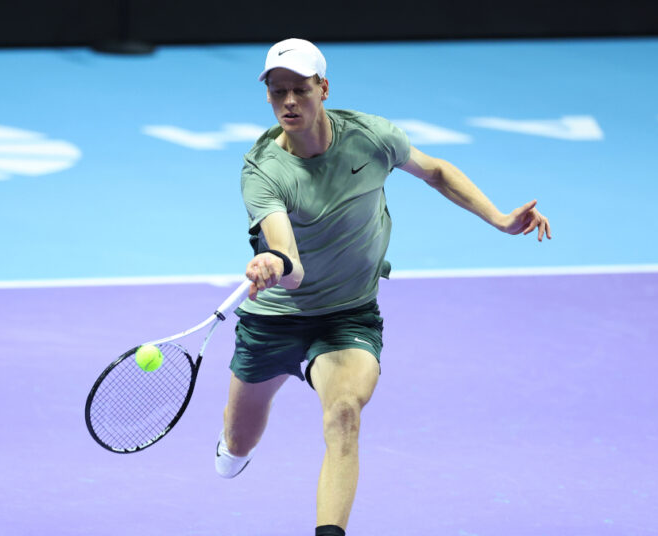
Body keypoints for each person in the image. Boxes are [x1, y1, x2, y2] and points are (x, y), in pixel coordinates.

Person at [215, 38, 551, 536]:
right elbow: (293, 263)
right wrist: (273, 259)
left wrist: (500, 220)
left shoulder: (371, 137)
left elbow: (434, 170)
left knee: (344, 412)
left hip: (347, 314)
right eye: (277, 91)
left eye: (300, 90)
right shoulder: (263, 169)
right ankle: (231, 450)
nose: (289, 101)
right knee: (239, 441)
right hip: (276, 316)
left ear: (323, 88)